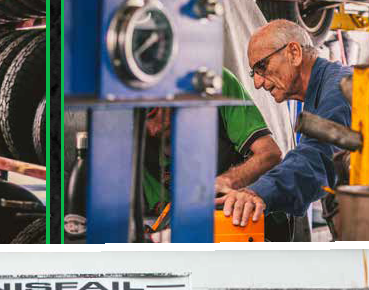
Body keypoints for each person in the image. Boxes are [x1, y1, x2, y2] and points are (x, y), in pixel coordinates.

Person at [219, 20, 351, 233]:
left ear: (294, 53)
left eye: (262, 67)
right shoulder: (320, 96)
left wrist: (258, 193)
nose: (258, 83)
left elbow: (318, 157)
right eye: (254, 73)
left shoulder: (340, 89)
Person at [138, 69, 284, 241]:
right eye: (142, 119)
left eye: (154, 113)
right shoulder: (131, 132)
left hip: (247, 221)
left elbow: (269, 154)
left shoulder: (215, 85)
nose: (153, 130)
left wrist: (224, 181)